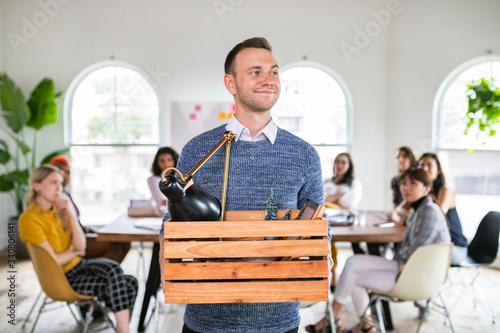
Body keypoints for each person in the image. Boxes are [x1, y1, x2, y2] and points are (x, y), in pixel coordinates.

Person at [159, 37, 324, 333]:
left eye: (274, 71)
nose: (268, 79)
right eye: (256, 71)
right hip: (206, 320)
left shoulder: (304, 154)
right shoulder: (198, 150)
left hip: (278, 321)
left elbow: (319, 228)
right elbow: (171, 224)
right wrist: (168, 271)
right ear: (231, 83)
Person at [309, 168, 451, 333]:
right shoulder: (419, 210)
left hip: (416, 276)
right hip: (406, 267)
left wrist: (403, 250)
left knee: (354, 276)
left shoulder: (429, 212)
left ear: (427, 188)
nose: (406, 187)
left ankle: (339, 318)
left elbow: (415, 252)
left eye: (413, 183)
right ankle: (363, 324)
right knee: (352, 262)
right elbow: (408, 250)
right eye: (404, 183)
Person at [19, 165, 138, 333]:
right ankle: (123, 329)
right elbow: (53, 261)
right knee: (116, 275)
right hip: (61, 278)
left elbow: (81, 247)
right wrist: (74, 251)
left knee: (130, 282)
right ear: (36, 186)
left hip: (79, 266)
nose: (59, 188)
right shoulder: (30, 219)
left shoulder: (58, 212)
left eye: (61, 183)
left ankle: (120, 325)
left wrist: (69, 214)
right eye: (53, 183)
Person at [49, 155, 131, 263]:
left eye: (68, 172)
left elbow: (75, 219)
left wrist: (86, 229)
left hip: (81, 232)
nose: (64, 175)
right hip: (73, 239)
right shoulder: (53, 198)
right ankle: (102, 274)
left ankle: (111, 274)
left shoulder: (66, 195)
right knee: (114, 247)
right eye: (60, 171)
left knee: (125, 243)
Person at [419, 152, 468, 265]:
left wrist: (426, 195)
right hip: (438, 243)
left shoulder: (445, 191)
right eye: (421, 165)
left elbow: (437, 216)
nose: (424, 168)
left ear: (439, 170)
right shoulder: (423, 191)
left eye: (429, 165)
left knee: (418, 253)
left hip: (455, 248)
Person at [323, 153, 362, 292]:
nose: (339, 165)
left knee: (357, 246)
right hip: (328, 219)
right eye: (337, 162)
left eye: (343, 162)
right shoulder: (327, 181)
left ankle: (356, 278)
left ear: (349, 166)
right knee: (327, 241)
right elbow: (320, 200)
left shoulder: (354, 183)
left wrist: (329, 199)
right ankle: (333, 273)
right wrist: (338, 197)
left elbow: (349, 202)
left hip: (345, 220)